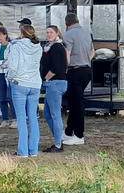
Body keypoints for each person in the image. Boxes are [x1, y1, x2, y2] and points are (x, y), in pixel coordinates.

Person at [2, 23, 43, 157]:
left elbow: (13, 66)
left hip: (19, 82)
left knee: (21, 117)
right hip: (35, 83)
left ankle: (23, 150)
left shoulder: (16, 46)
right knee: (33, 117)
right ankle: (34, 150)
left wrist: (10, 78)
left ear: (22, 34)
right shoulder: (38, 47)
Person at [62, 13, 94, 145]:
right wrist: (86, 60)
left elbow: (67, 55)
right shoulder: (86, 33)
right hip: (86, 69)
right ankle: (69, 131)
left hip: (74, 70)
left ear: (66, 23)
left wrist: (64, 70)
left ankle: (79, 135)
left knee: (77, 104)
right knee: (76, 102)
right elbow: (93, 51)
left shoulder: (68, 34)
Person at [40, 25, 69, 153]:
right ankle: (59, 138)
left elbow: (58, 67)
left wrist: (46, 78)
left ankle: (58, 144)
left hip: (55, 83)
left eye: (51, 32)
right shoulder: (50, 47)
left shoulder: (57, 47)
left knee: (55, 115)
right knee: (47, 113)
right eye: (47, 32)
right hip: (54, 83)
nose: (48, 34)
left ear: (57, 33)